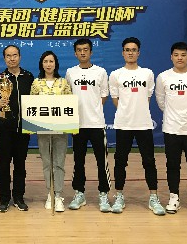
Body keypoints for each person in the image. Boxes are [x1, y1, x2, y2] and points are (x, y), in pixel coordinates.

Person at [109, 37, 165, 216]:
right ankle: (119, 196)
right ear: (123, 53)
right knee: (120, 161)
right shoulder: (116, 74)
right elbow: (115, 99)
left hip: (143, 124)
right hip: (123, 124)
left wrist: (137, 111)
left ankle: (153, 197)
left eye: (133, 50)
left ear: (138, 53)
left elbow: (147, 98)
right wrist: (127, 112)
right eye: (127, 50)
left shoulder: (147, 73)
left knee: (149, 161)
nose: (130, 53)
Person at [155, 42, 187, 216]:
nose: (180, 58)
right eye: (176, 55)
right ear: (171, 57)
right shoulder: (163, 77)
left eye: (183, 55)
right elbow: (161, 101)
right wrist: (173, 115)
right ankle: (174, 197)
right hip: (171, 128)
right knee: (172, 165)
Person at [65, 38, 111, 213]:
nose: (82, 52)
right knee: (78, 161)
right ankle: (79, 193)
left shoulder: (100, 72)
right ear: (75, 53)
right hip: (77, 125)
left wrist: (94, 110)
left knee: (102, 161)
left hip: (96, 124)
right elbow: (68, 95)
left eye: (85, 49)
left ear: (91, 52)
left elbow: (104, 95)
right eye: (79, 50)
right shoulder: (70, 72)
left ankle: (104, 194)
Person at [0, 45, 34, 212]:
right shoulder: (0, 78)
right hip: (4, 129)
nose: (12, 58)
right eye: (8, 56)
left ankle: (18, 197)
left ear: (20, 57)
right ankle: (4, 199)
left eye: (14, 55)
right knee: (3, 165)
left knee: (20, 165)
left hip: (23, 128)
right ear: (4, 59)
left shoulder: (28, 77)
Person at [30, 51, 72, 213]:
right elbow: (31, 105)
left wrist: (72, 126)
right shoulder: (36, 83)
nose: (48, 64)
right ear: (42, 64)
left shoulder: (63, 82)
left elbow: (69, 104)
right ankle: (50, 193)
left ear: (56, 64)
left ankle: (58, 195)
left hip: (61, 129)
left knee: (59, 163)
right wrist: (30, 126)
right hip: (43, 129)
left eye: (51, 61)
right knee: (47, 163)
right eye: (46, 61)